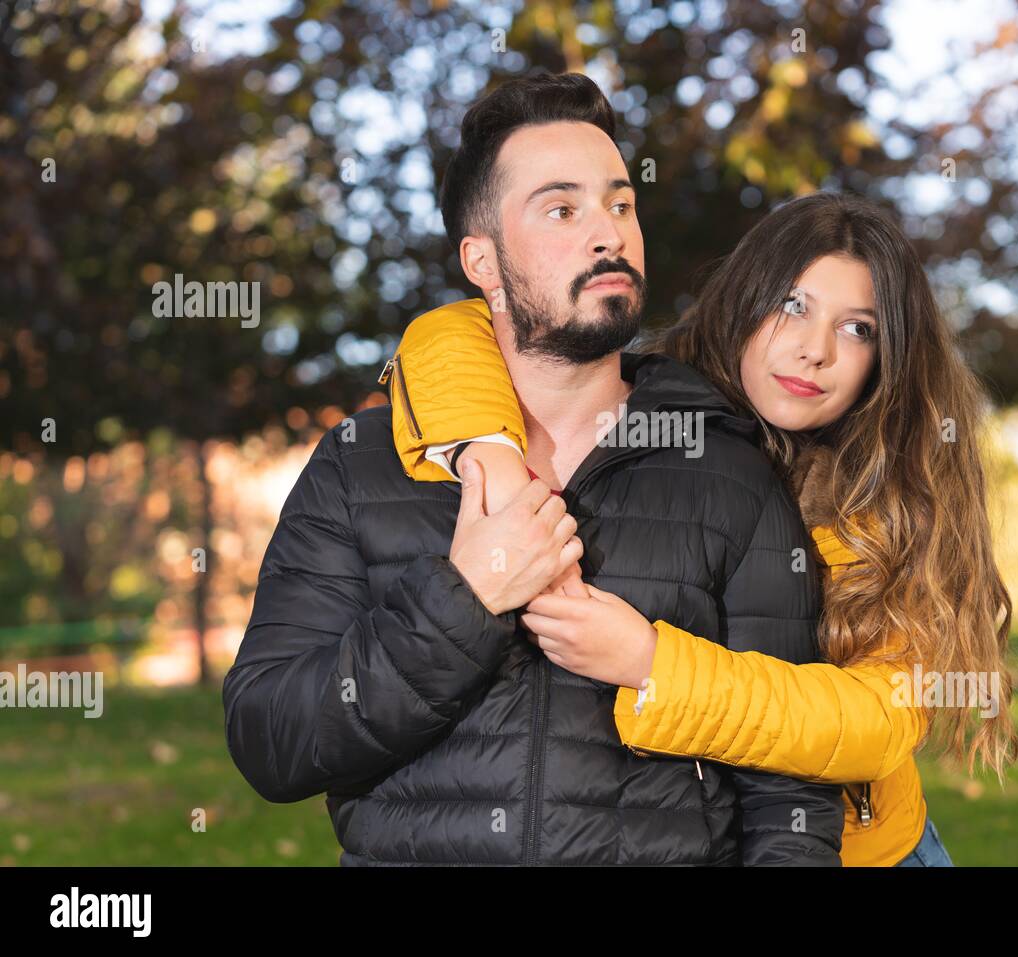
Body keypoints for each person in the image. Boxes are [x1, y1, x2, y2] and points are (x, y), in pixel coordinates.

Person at [223, 70, 845, 866]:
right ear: (483, 261)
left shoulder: (726, 469)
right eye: (562, 209)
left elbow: (788, 786)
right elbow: (269, 738)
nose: (609, 233)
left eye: (621, 204)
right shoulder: (361, 467)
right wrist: (464, 599)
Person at [386, 191, 1018, 865]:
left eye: (857, 328)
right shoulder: (651, 402)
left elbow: (876, 723)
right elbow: (449, 334)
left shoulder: (890, 495)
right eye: (794, 305)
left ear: (885, 355)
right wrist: (496, 460)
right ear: (747, 295)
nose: (815, 351)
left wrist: (653, 666)